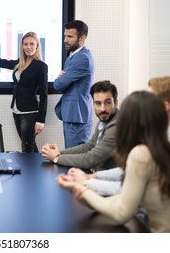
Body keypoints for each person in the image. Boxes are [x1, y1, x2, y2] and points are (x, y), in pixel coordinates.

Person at [56, 91, 170, 233]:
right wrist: (84, 192)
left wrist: (82, 189)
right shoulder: (160, 148)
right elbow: (126, 197)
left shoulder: (141, 154)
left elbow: (121, 213)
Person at [62, 76, 170, 197]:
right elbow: (129, 171)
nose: (145, 102)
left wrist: (86, 182)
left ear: (165, 107)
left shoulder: (156, 142)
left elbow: (128, 191)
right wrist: (91, 177)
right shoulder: (158, 134)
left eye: (150, 99)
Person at [41, 80, 118, 171]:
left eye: (108, 102)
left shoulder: (117, 126)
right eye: (98, 103)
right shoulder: (105, 119)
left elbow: (91, 159)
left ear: (116, 103)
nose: (102, 108)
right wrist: (59, 153)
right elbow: (89, 146)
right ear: (93, 103)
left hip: (107, 181)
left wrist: (57, 158)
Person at [54, 20, 95, 149]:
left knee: (76, 160)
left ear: (82, 38)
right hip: (72, 115)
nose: (65, 40)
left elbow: (59, 85)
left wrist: (58, 79)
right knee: (72, 158)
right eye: (65, 36)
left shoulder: (82, 58)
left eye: (70, 37)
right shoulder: (73, 56)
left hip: (77, 117)